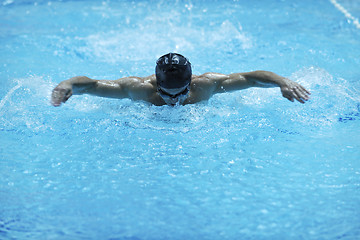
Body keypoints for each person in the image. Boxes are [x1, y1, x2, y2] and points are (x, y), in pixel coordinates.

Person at [51, 53, 310, 107]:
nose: (174, 100)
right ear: (156, 83)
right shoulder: (138, 89)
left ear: (190, 84)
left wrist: (281, 81)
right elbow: (94, 85)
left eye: (180, 93)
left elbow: (250, 78)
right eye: (167, 94)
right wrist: (69, 84)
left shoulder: (206, 85)